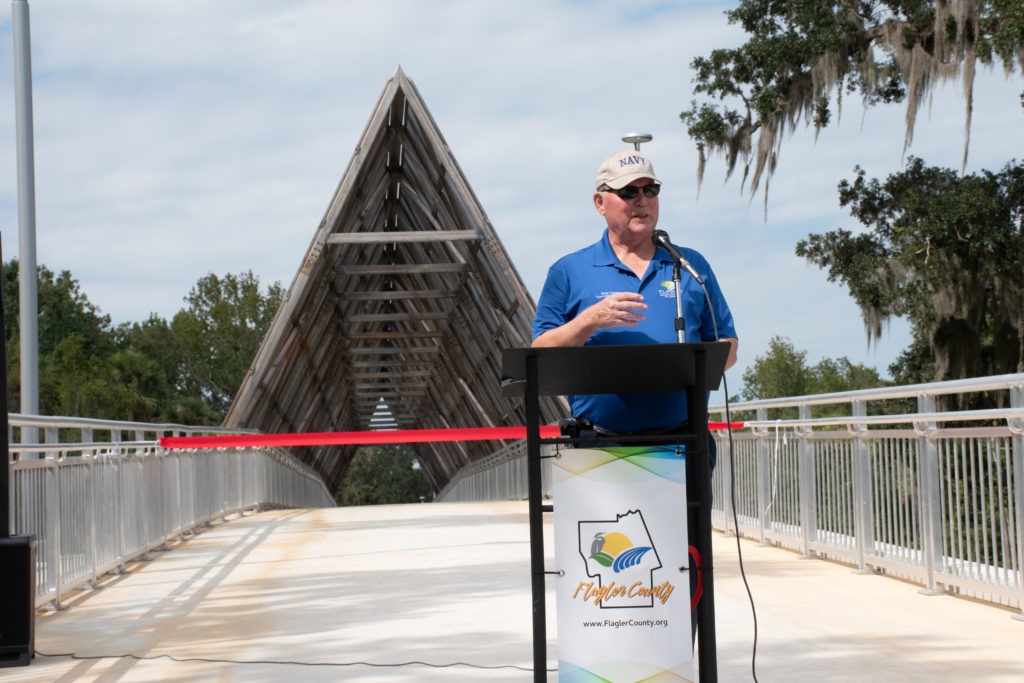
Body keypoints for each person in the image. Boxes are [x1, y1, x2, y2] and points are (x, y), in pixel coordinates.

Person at [531, 147, 739, 643]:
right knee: (611, 575)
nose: (641, 200)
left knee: (680, 571)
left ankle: (675, 663)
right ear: (601, 202)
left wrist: (697, 356)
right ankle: (611, 662)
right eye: (629, 193)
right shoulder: (571, 271)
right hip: (602, 450)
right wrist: (589, 321)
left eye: (650, 190)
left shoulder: (688, 266)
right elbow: (539, 348)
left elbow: (728, 345)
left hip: (682, 446)